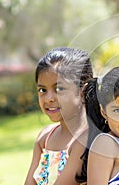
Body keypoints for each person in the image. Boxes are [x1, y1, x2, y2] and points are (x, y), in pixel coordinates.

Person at [24, 47, 92, 185]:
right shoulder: (45, 138)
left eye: (59, 89)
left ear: (83, 92)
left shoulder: (86, 139)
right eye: (42, 90)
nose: (49, 98)